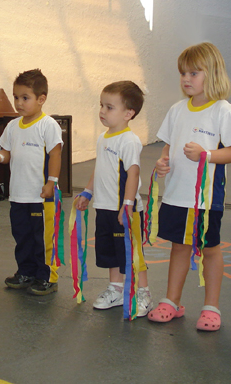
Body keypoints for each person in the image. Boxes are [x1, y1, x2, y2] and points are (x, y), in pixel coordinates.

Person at [148, 42, 231, 331]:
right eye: (182, 74)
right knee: (179, 246)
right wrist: (162, 162)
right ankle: (171, 301)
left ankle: (211, 307)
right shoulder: (177, 110)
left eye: (193, 73)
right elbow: (167, 145)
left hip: (205, 199)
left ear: (212, 74)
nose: (186, 79)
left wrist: (208, 155)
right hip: (177, 194)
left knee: (210, 247)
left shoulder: (223, 111)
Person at [75, 81, 152, 317]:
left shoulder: (129, 141)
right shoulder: (103, 138)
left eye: (109, 107)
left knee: (132, 252)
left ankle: (143, 293)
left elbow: (133, 173)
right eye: (102, 105)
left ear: (129, 114)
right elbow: (100, 168)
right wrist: (88, 192)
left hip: (124, 210)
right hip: (105, 208)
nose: (102, 111)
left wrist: (127, 205)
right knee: (110, 251)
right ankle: (116, 289)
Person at [0, 69, 62, 295]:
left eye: (25, 98)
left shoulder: (48, 125)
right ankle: (26, 271)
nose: (19, 103)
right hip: (18, 195)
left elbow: (56, 155)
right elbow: (6, 153)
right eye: (16, 97)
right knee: (22, 235)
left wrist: (52, 182)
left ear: (41, 99)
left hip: (40, 196)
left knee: (42, 238)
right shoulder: (12, 126)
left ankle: (46, 275)